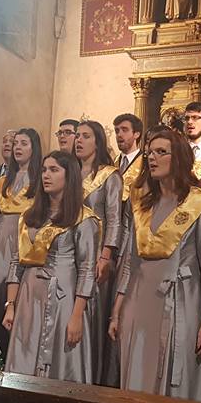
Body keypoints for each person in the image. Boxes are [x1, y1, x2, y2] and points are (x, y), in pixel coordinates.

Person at [110, 129, 201, 403]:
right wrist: (117, 307)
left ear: (179, 157)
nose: (152, 158)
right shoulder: (139, 204)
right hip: (139, 296)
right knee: (138, 368)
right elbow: (129, 260)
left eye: (161, 152)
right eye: (149, 153)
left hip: (181, 298)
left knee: (176, 372)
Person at [2, 151, 100, 383]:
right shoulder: (29, 216)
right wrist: (10, 305)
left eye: (54, 170)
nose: (46, 175)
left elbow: (87, 270)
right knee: (23, 357)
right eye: (45, 170)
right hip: (28, 296)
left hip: (63, 300)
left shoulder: (84, 218)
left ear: (70, 176)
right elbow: (16, 262)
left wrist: (77, 316)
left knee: (59, 360)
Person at [0, 128, 42, 356]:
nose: (17, 147)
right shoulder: (1, 181)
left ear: (34, 148)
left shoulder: (39, 180)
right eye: (16, 143)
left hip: (24, 239)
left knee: (17, 294)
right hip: (0, 241)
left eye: (23, 143)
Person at [76, 120, 123, 385]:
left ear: (98, 142)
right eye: (77, 136)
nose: (79, 141)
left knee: (90, 316)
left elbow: (115, 219)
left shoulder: (109, 175)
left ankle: (90, 375)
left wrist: (106, 255)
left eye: (86, 136)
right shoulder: (69, 172)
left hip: (96, 255)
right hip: (70, 253)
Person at [113, 113, 144, 203]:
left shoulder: (146, 162)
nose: (119, 134)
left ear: (136, 134)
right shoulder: (111, 162)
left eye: (124, 130)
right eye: (117, 131)